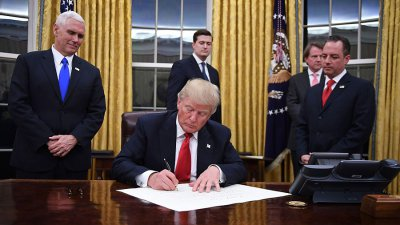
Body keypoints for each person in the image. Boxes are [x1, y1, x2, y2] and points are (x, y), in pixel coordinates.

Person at [8, 11, 106, 179]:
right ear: (55, 30)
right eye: (71, 32)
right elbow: (18, 105)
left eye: (80, 36)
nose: (76, 39)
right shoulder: (28, 62)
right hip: (33, 159)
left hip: (74, 164)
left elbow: (96, 112)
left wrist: (74, 138)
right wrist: (48, 139)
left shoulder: (91, 72)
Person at [112, 79, 246, 192]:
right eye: (189, 109)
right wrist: (151, 177)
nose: (193, 118)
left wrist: (218, 170)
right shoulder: (149, 126)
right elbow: (120, 165)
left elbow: (240, 168)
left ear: (211, 114)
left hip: (201, 205)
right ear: (179, 102)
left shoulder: (219, 133)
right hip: (157, 206)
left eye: (202, 113)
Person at [296, 35, 375, 165]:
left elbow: (360, 131)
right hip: (311, 166)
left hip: (343, 166)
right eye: (324, 56)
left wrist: (325, 158)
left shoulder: (362, 88)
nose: (326, 61)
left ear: (346, 59)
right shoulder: (312, 91)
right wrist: (302, 153)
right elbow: (301, 126)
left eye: (334, 57)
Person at [166, 29, 221, 123]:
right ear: (193, 45)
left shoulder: (213, 72)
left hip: (210, 125)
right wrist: (174, 124)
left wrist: (217, 126)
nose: (205, 47)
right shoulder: (181, 66)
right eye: (201, 43)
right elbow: (172, 99)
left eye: (208, 44)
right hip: (189, 122)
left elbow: (217, 105)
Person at [287, 42, 324, 175]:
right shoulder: (296, 80)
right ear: (306, 59)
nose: (319, 59)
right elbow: (292, 106)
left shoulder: (330, 79)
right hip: (298, 138)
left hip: (323, 138)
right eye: (314, 56)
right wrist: (314, 118)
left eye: (321, 56)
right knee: (300, 178)